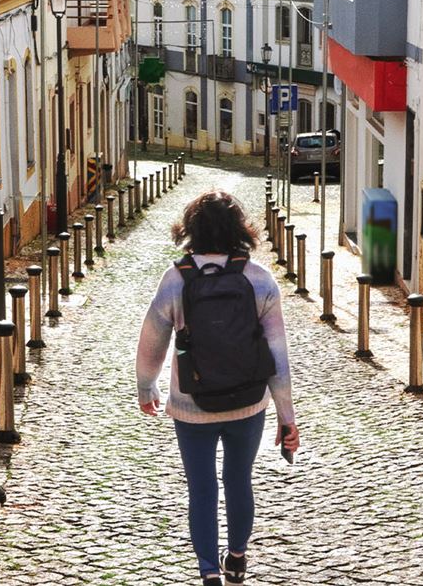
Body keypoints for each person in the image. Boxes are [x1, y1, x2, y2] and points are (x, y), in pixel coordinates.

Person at [136, 190, 299, 586]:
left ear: (189, 229)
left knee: (202, 488)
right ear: (240, 229)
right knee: (239, 479)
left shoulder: (176, 278)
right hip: (248, 403)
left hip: (191, 405)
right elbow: (277, 356)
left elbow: (152, 340)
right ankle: (238, 558)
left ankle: (208, 570)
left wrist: (147, 388)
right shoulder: (259, 279)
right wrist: (286, 417)